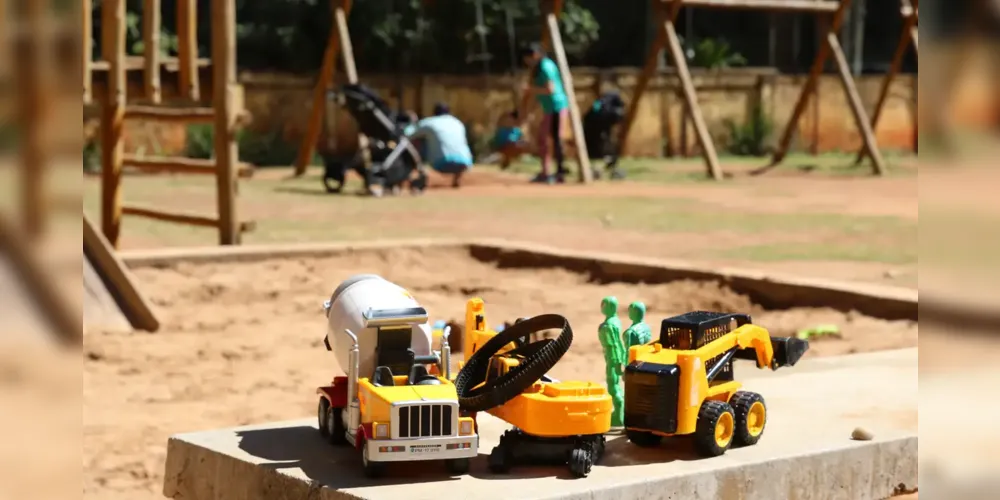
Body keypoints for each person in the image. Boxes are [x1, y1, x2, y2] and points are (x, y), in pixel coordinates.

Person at [518, 43, 570, 184]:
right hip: (549, 108)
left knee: (555, 140)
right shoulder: (537, 69)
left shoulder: (546, 67)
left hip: (557, 106)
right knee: (544, 139)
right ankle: (546, 171)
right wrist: (532, 110)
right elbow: (539, 93)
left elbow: (550, 89)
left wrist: (529, 90)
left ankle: (559, 172)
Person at [404, 103, 474, 188]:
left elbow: (407, 134)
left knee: (420, 141)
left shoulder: (429, 122)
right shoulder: (457, 122)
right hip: (464, 162)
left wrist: (412, 122)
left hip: (441, 163)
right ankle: (457, 178)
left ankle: (421, 173)